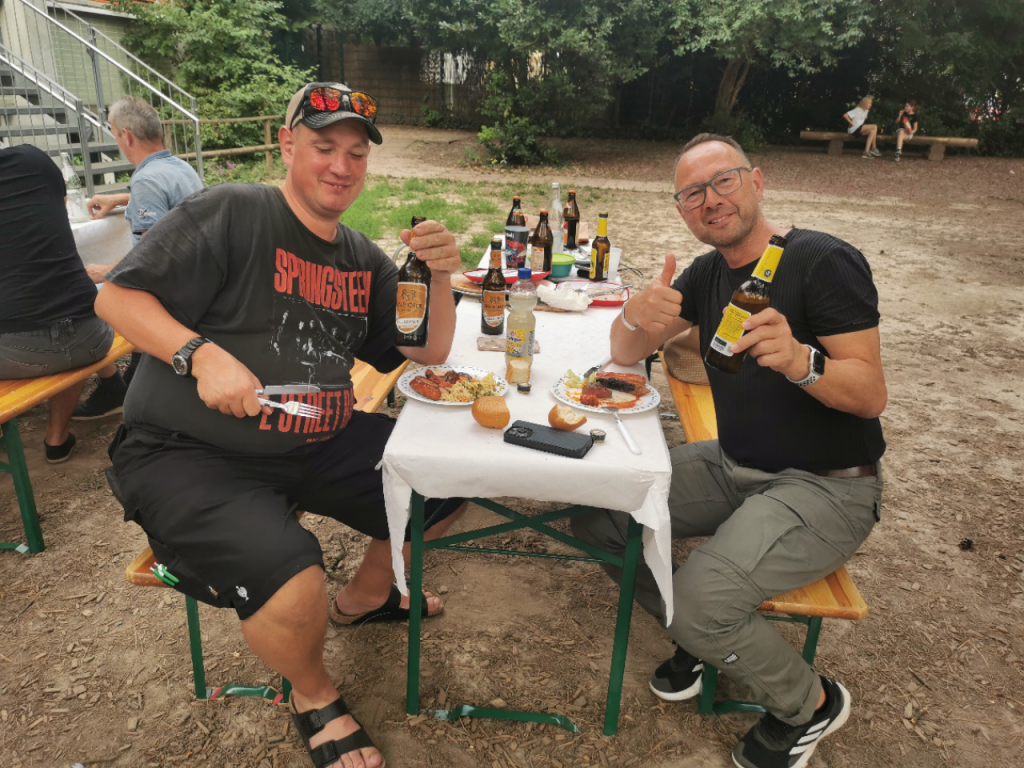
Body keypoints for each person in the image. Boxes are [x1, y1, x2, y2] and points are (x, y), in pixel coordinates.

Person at [96, 82, 466, 768]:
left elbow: (428, 350)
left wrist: (441, 276)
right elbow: (116, 297)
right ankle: (313, 692)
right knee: (295, 586)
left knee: (442, 480)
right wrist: (200, 355)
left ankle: (366, 595)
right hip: (188, 452)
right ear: (288, 144)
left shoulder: (359, 257)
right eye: (324, 147)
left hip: (315, 438)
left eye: (356, 154)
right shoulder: (233, 210)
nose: (341, 166)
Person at [572, 134, 886, 768]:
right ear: (682, 210)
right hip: (734, 463)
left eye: (723, 181)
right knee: (599, 516)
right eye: (692, 193)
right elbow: (625, 352)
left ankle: (809, 703)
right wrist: (635, 315)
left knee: (700, 601)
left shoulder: (823, 261)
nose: (710, 200)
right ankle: (701, 638)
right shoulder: (708, 273)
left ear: (757, 181)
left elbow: (870, 393)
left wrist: (801, 361)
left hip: (827, 485)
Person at [73, 97, 206, 421]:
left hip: (171, 295)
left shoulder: (147, 180)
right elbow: (166, 204)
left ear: (127, 136)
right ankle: (132, 375)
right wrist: (123, 198)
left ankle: (114, 386)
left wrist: (106, 271)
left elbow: (153, 256)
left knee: (83, 297)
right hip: (195, 284)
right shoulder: (179, 168)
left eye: (113, 132)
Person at [0, 144, 115, 463]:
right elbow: (58, 211)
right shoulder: (35, 160)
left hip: (16, 352)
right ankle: (57, 438)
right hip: (93, 337)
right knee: (62, 319)